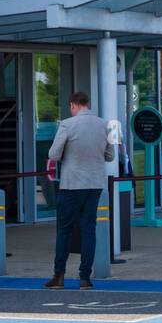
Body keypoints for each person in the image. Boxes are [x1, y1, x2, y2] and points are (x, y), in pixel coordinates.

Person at [45, 90, 114, 289]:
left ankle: (59, 276)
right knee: (89, 229)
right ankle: (85, 277)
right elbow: (110, 156)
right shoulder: (104, 125)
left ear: (73, 105)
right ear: (88, 104)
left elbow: (54, 154)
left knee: (64, 230)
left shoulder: (67, 124)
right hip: (94, 184)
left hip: (72, 184)